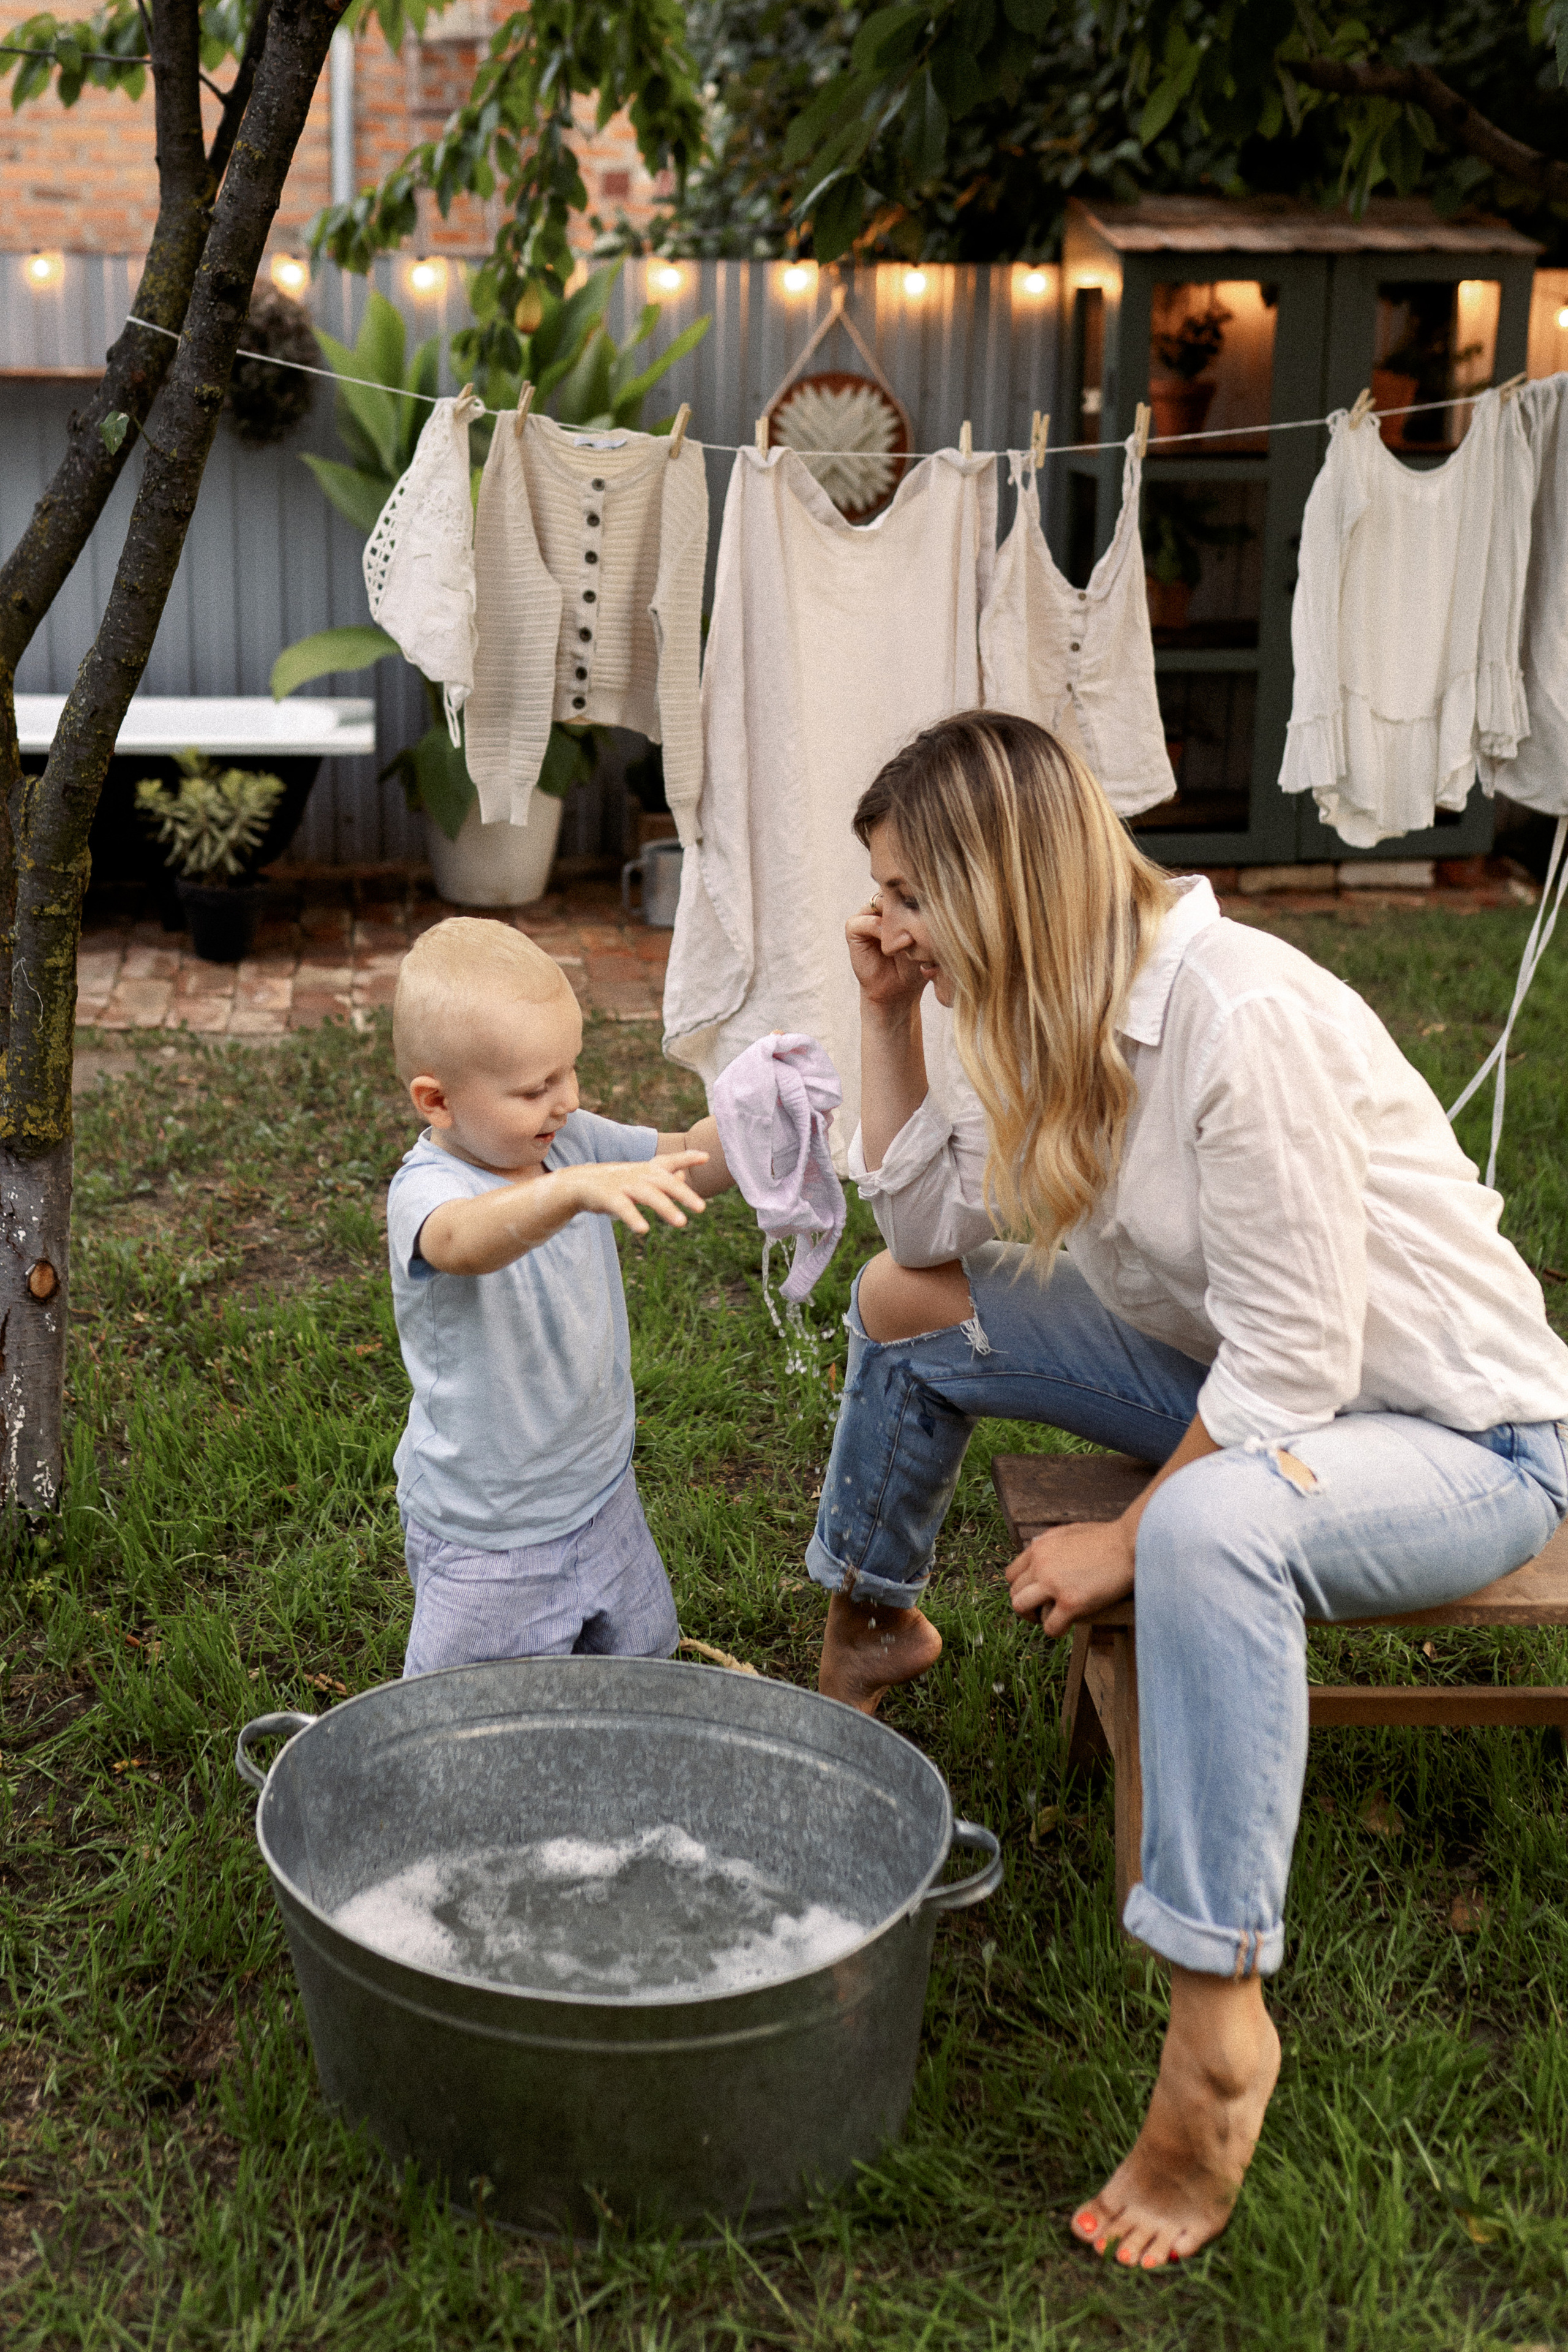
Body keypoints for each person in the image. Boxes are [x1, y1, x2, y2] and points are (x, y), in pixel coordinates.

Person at [806, 711, 1568, 2269]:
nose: (882, 922)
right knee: (900, 1305)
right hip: (1241, 1374)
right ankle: (869, 1621)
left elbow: (1294, 1367)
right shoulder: (1030, 1002)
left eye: (905, 894)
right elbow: (919, 1226)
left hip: (1455, 1436)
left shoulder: (1235, 1017)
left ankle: (1217, 2027)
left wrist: (1127, 1534)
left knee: (1212, 1524)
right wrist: (889, 1017)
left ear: (1000, 885)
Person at [387, 916, 732, 1675]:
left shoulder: (567, 1140)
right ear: (437, 1101)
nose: (567, 1100)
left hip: (603, 1494)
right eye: (535, 1088)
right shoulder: (429, 1190)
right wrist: (569, 1191)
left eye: (569, 1070)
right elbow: (462, 1242)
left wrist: (750, 1119)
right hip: (490, 1537)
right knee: (465, 1724)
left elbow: (686, 1159)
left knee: (638, 1678)